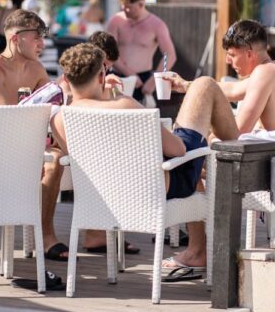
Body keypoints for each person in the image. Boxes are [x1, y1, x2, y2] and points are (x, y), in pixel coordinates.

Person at [50, 43, 240, 269]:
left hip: (106, 196)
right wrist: (115, 95)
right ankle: (239, 157)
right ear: (102, 75)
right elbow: (178, 151)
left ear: (65, 78)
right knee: (205, 85)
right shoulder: (124, 105)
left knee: (193, 161)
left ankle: (197, 251)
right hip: (162, 188)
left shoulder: (59, 120)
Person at [0, 9, 71, 261]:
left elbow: (50, 109)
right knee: (52, 159)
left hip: (23, 144)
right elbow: (4, 120)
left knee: (59, 158)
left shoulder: (36, 68)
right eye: (36, 37)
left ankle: (49, 236)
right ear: (16, 39)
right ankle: (47, 236)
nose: (42, 43)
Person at [168, 19, 275, 133]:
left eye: (231, 55)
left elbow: (238, 131)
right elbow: (232, 89)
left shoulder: (264, 73)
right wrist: (185, 85)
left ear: (249, 54)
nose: (227, 60)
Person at [107, 0, 176, 102]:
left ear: (141, 4)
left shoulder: (156, 25)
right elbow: (109, 52)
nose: (125, 11)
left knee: (141, 117)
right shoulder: (116, 21)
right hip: (118, 77)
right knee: (114, 113)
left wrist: (154, 81)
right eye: (123, 7)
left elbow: (169, 55)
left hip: (143, 80)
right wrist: (130, 74)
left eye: (129, 7)